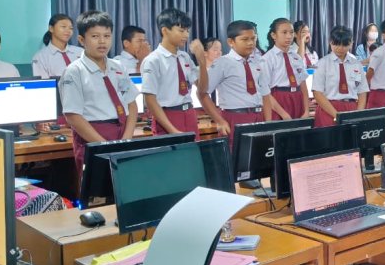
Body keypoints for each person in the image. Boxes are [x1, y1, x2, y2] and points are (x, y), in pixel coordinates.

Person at [58, 11, 139, 179]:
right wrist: (103, 145)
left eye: (107, 36)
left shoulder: (118, 67)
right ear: (81, 40)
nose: (102, 41)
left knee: (125, 190)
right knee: (98, 195)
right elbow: (73, 116)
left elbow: (131, 103)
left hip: (123, 133)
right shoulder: (74, 71)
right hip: (93, 138)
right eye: (95, 36)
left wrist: (127, 139)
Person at [198, 20, 281, 144]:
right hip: (235, 117)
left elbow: (265, 94)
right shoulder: (222, 63)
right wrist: (219, 120)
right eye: (245, 39)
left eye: (253, 38)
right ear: (231, 42)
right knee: (236, 158)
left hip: (259, 116)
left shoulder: (259, 62)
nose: (250, 43)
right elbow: (202, 93)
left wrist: (267, 122)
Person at [140, 9, 208, 138]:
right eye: (181, 31)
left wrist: (202, 62)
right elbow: (150, 100)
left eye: (187, 31)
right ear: (165, 30)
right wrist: (172, 130)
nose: (186, 35)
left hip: (189, 113)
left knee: (193, 157)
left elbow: (203, 89)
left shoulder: (185, 57)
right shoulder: (153, 60)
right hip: (167, 116)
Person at [311, 25, 368, 127]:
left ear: (351, 43)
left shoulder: (355, 64)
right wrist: (336, 115)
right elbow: (317, 93)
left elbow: (361, 91)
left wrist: (359, 114)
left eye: (344, 45)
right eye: (336, 44)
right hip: (328, 109)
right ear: (330, 42)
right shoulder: (322, 64)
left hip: (351, 109)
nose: (340, 48)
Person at [263, 18, 309, 120]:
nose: (289, 36)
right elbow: (264, 91)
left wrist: (306, 110)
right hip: (278, 101)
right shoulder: (267, 59)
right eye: (284, 32)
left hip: (297, 99)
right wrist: (283, 113)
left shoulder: (296, 57)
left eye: (291, 32)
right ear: (273, 35)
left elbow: (303, 87)